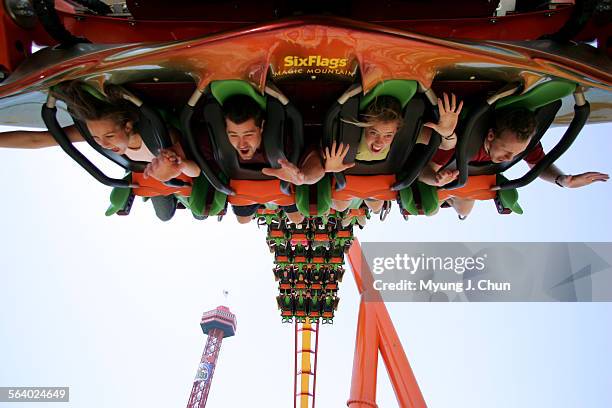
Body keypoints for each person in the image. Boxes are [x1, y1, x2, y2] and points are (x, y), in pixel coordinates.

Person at [0, 81, 201, 221]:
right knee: (163, 215)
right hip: (145, 173)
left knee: (179, 211)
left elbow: (195, 170)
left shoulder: (160, 137)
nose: (103, 144)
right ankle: (156, 192)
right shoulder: (101, 132)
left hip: (177, 177)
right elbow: (38, 139)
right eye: (96, 138)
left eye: (109, 136)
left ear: (128, 127)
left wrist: (179, 165)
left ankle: (176, 197)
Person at [421, 107, 609, 218]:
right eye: (506, 151)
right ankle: (448, 200)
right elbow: (425, 173)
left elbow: (538, 165)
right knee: (439, 209)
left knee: (465, 209)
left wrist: (562, 180)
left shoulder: (520, 143)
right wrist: (437, 179)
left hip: (468, 181)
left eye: (517, 153)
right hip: (447, 175)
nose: (510, 158)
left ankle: (454, 203)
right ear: (491, 135)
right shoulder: (461, 143)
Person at [322, 92, 463, 226]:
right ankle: (355, 209)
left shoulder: (404, 134)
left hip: (375, 180)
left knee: (376, 205)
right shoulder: (348, 132)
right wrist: (326, 165)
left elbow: (446, 146)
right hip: (350, 178)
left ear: (397, 130)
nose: (379, 142)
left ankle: (364, 209)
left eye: (388, 135)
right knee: (341, 206)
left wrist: (448, 134)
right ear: (363, 126)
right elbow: (321, 149)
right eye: (373, 132)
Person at [219, 94, 324, 225]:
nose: (242, 144)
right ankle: (267, 206)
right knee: (243, 220)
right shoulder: (216, 142)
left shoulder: (281, 143)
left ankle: (273, 208)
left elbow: (315, 159)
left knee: (297, 220)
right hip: (245, 188)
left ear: (261, 127)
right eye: (233, 134)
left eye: (248, 134)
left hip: (281, 187)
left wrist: (304, 177)